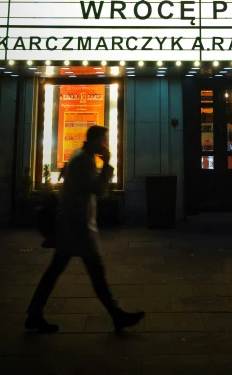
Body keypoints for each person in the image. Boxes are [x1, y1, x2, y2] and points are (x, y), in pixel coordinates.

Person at [25, 125, 144, 333]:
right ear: (96, 140)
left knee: (59, 271)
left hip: (73, 225)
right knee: (94, 273)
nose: (106, 144)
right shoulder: (83, 161)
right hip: (77, 227)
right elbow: (97, 189)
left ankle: (35, 313)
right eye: (104, 140)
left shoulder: (80, 156)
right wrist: (107, 164)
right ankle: (117, 316)